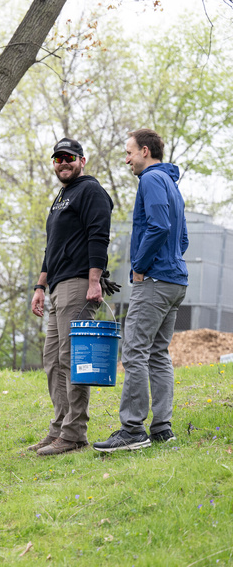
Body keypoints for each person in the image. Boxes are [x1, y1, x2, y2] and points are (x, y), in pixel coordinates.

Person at [93, 129, 188, 453]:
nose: (127, 159)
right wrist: (169, 259)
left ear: (145, 151)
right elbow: (182, 237)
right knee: (158, 354)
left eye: (129, 152)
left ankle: (133, 430)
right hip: (176, 280)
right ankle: (162, 428)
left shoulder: (150, 180)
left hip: (156, 281)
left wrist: (140, 265)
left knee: (134, 350)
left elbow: (159, 227)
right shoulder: (172, 185)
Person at [29, 138, 116, 456]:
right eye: (57, 159)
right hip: (57, 286)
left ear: (81, 160)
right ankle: (59, 429)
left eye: (68, 158)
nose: (63, 163)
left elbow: (99, 236)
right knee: (52, 360)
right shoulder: (62, 197)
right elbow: (52, 247)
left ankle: (75, 433)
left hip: (80, 284)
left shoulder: (91, 190)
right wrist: (40, 286)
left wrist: (95, 281)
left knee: (71, 359)